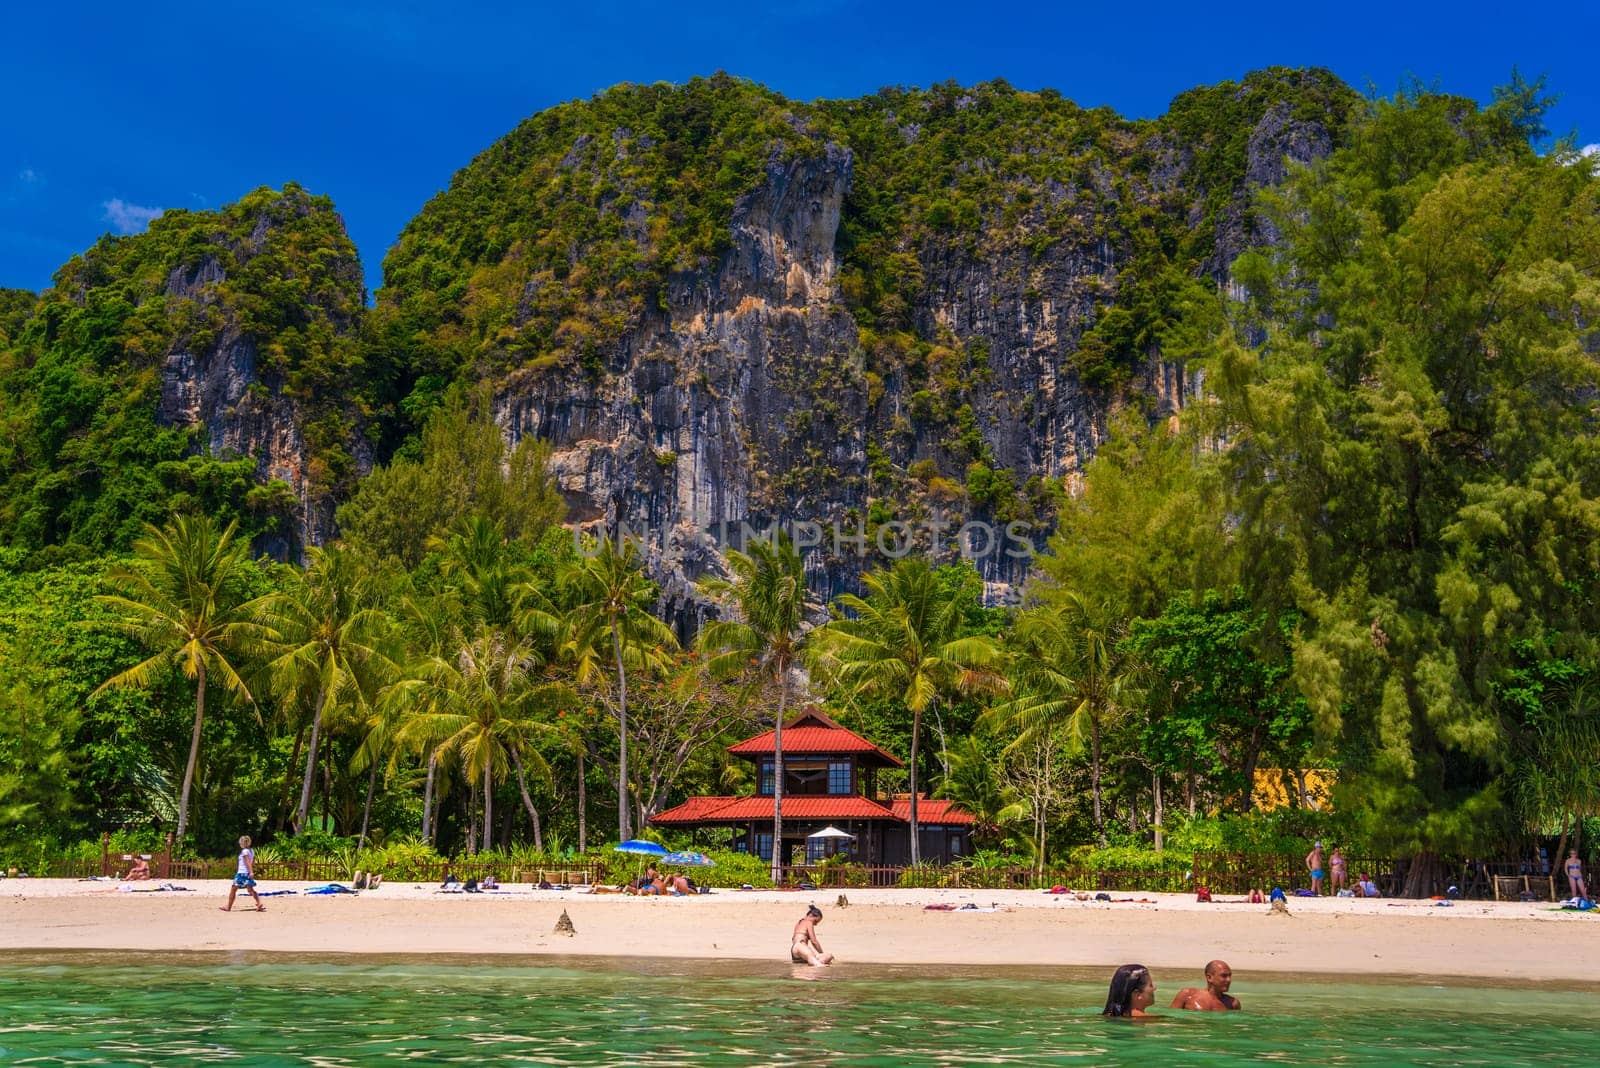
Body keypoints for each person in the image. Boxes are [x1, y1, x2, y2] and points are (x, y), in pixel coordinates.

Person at [1170, 960, 1241, 1011]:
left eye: (1229, 976)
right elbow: (1170, 1019)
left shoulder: (1233, 1004)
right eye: (1224, 976)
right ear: (1209, 977)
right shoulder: (1187, 995)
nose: (1229, 980)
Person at [221, 835, 264, 912]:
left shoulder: (244, 851)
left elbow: (247, 862)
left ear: (242, 843)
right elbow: (252, 862)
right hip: (247, 873)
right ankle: (259, 902)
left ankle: (228, 907)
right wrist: (250, 871)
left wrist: (251, 871)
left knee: (233, 889)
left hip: (241, 873)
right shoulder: (251, 851)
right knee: (250, 890)